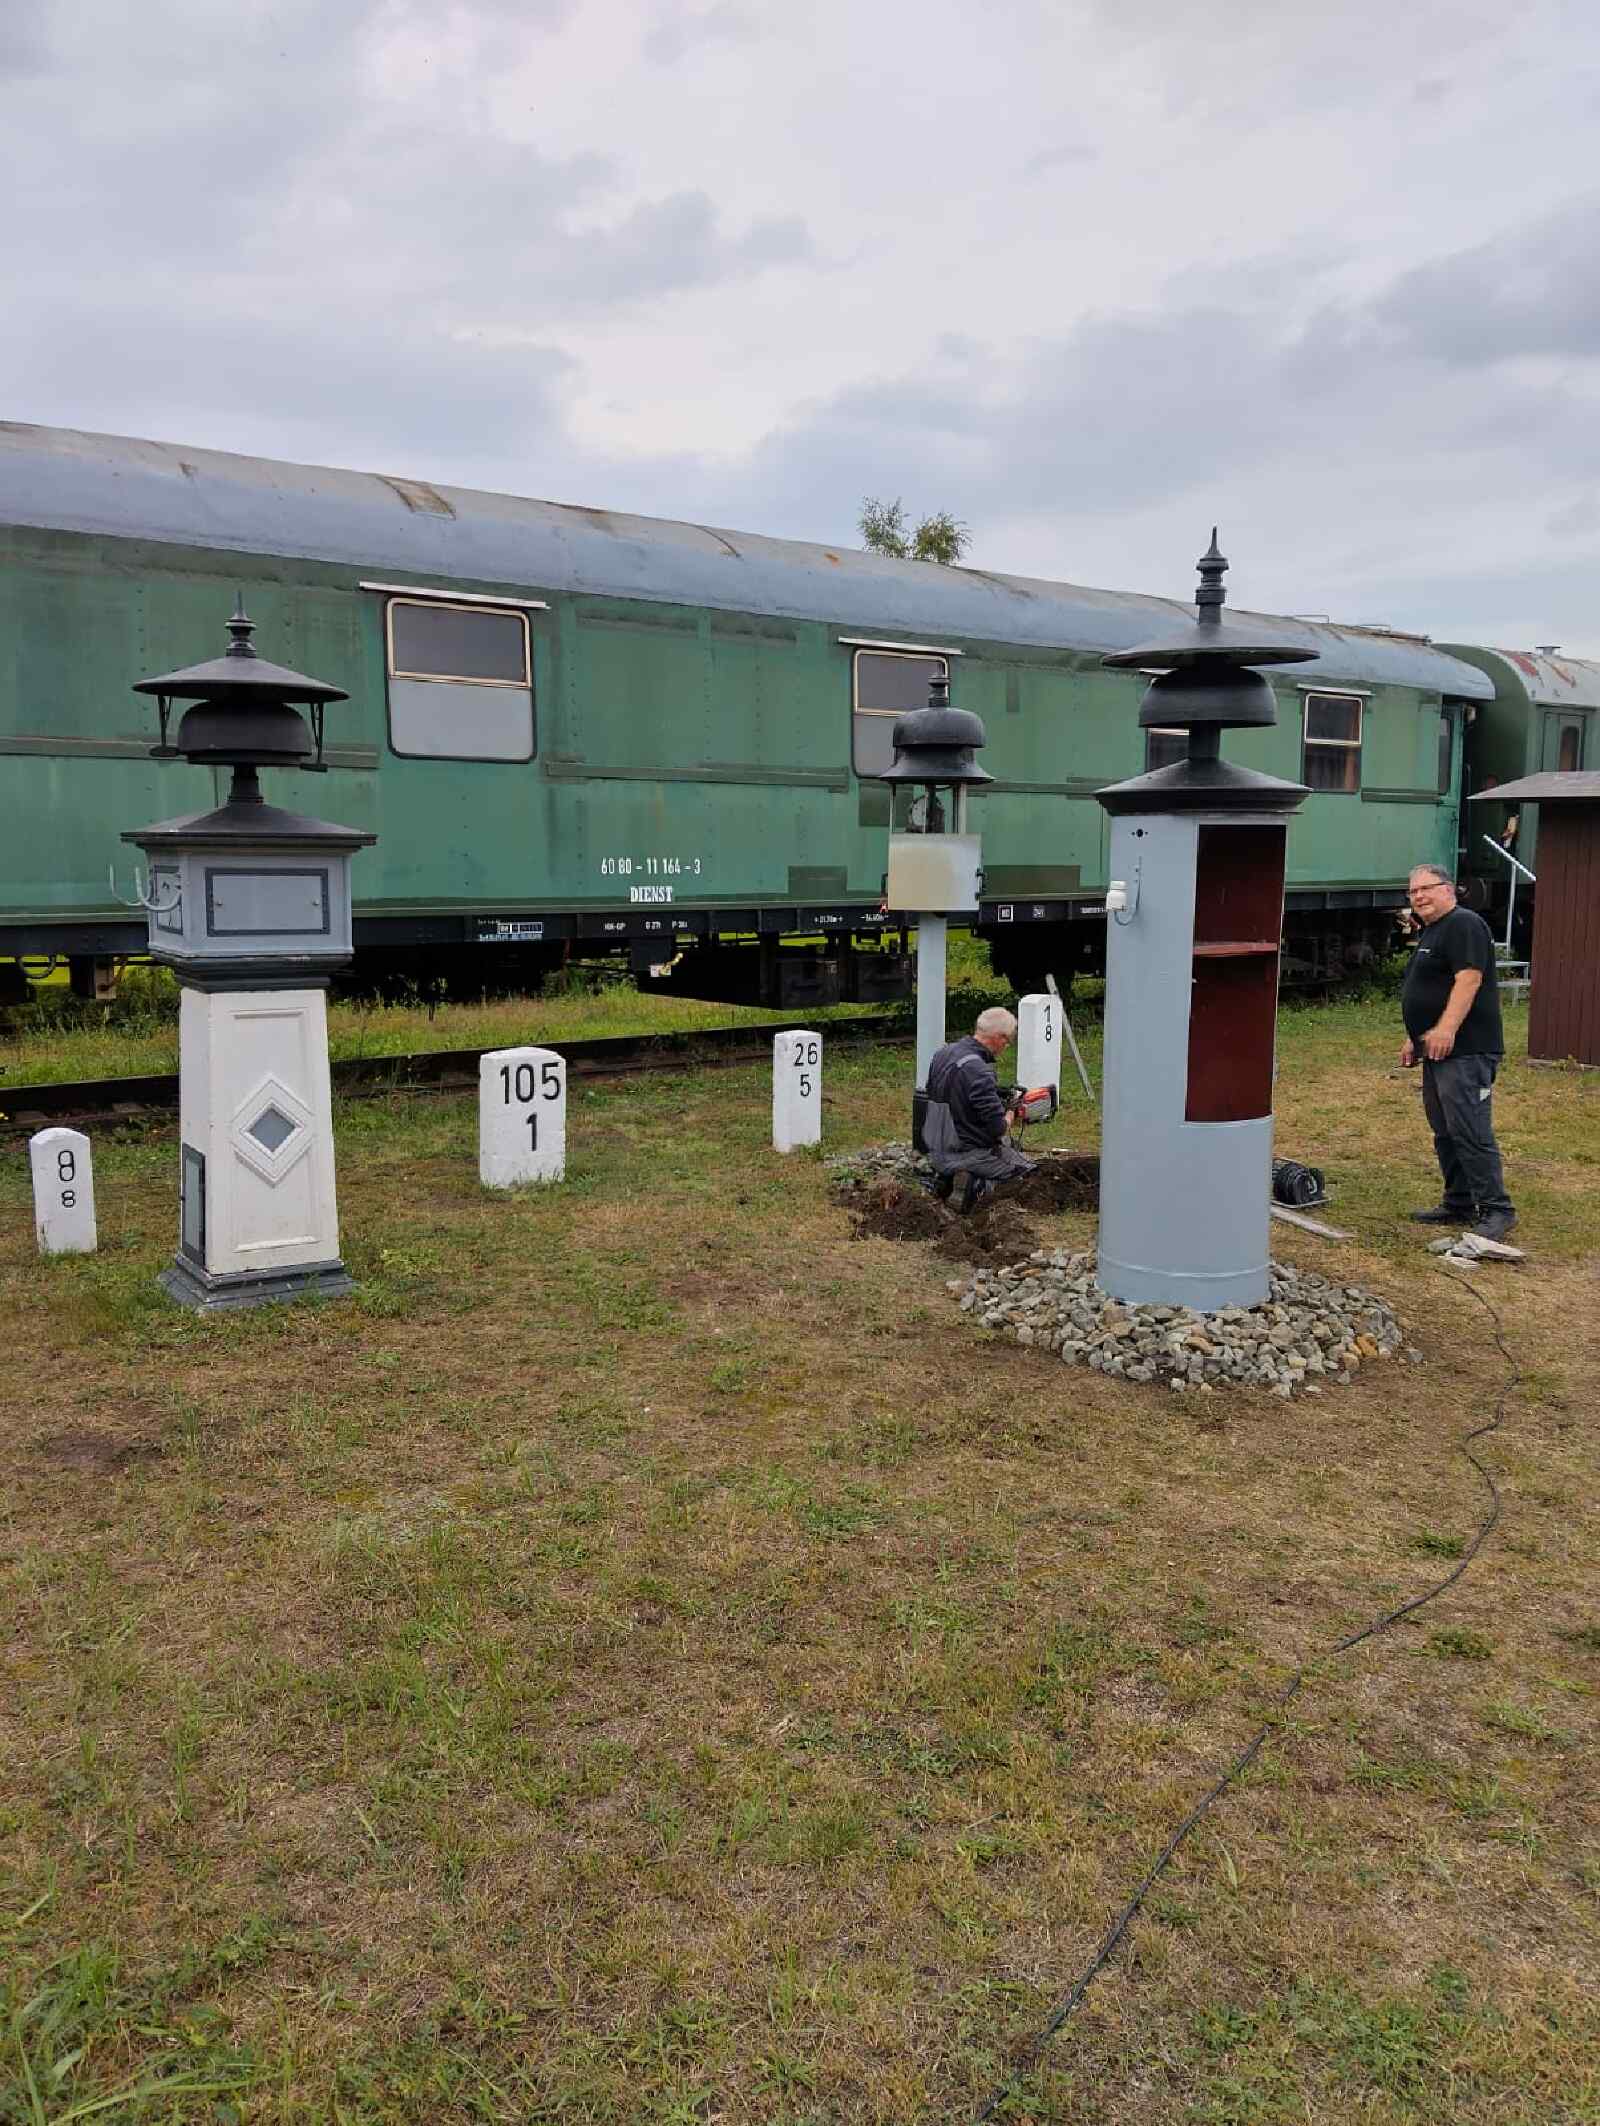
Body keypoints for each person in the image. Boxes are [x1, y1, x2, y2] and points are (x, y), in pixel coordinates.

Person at [1398, 863, 1516, 1241]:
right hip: (1437, 1051)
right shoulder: (1433, 930)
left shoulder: (1464, 924)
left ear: (1448, 889)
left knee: (1469, 1128)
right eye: (1413, 891)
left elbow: (1469, 979)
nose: (1419, 896)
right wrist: (1416, 1038)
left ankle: (1497, 1210)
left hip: (1467, 1049)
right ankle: (1459, 1202)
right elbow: (1429, 988)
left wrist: (1447, 1028)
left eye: (1426, 888)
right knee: (1445, 1130)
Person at [923, 1006, 1036, 1211]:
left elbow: (942, 1091)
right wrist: (1011, 1112)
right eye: (1008, 1041)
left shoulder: (943, 1053)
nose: (1007, 1046)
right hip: (968, 1152)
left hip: (937, 1147)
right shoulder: (980, 1071)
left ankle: (947, 1180)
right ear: (999, 1038)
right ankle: (974, 1186)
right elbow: (998, 1129)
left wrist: (994, 1094)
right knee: (1028, 1173)